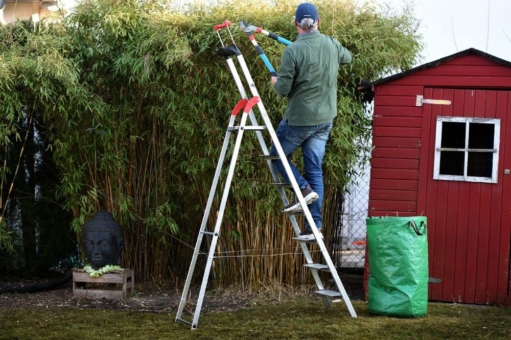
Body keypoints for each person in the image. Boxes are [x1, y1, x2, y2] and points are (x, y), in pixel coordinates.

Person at [270, 2, 352, 240]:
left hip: (299, 120)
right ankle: (314, 225)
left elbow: (283, 89)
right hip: (325, 119)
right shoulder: (332, 44)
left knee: (276, 155)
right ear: (319, 23)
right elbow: (348, 58)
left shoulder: (293, 51)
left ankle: (303, 189)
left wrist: (276, 82)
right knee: (314, 168)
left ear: (296, 24)